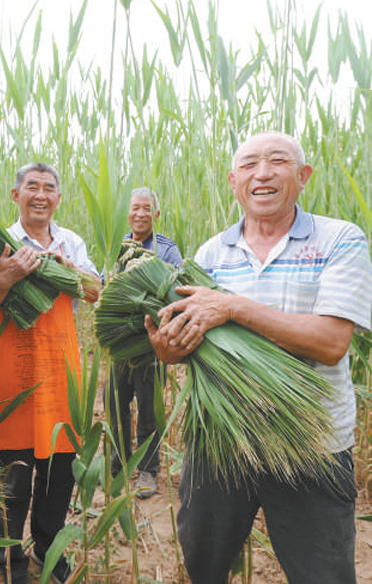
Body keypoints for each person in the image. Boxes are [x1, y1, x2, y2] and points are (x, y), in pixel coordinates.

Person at [144, 132, 372, 584]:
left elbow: (330, 342)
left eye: (277, 161)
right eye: (249, 165)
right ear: (233, 182)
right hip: (221, 442)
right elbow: (200, 346)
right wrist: (169, 350)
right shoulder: (210, 254)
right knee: (204, 566)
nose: (262, 173)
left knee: (322, 575)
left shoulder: (339, 239)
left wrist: (232, 307)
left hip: (312, 446)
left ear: (303, 176)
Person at [0, 163, 100, 584]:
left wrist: (68, 271)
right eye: (32, 187)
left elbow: (97, 290)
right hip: (12, 382)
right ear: (16, 195)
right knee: (13, 483)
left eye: (49, 188)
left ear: (58, 198)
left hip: (60, 379)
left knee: (58, 477)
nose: (41, 195)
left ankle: (51, 556)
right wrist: (4, 280)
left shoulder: (72, 242)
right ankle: (11, 566)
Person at [106, 187, 182, 499]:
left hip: (151, 344)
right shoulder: (117, 246)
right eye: (135, 208)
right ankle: (119, 461)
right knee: (115, 403)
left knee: (149, 409)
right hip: (120, 341)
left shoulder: (166, 249)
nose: (140, 214)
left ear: (157, 215)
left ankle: (149, 469)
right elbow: (104, 283)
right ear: (128, 212)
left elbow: (174, 289)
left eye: (147, 209)